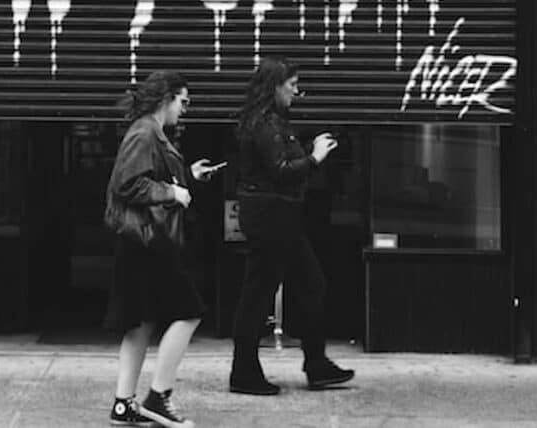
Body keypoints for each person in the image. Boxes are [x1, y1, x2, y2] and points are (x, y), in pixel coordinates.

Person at [229, 57, 355, 395]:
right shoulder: (264, 123)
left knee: (310, 284)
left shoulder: (271, 121)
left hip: (279, 217)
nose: (296, 91)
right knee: (259, 295)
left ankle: (316, 364)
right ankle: (245, 373)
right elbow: (282, 169)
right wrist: (315, 157)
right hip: (271, 217)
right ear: (274, 87)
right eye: (291, 85)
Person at [103, 70, 222, 428]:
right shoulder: (144, 132)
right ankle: (158, 397)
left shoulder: (149, 132)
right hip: (150, 242)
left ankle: (124, 405)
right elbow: (129, 184)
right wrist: (173, 192)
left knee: (140, 322)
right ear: (166, 98)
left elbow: (150, 176)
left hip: (140, 241)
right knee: (190, 312)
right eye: (183, 102)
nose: (184, 110)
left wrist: (188, 176)